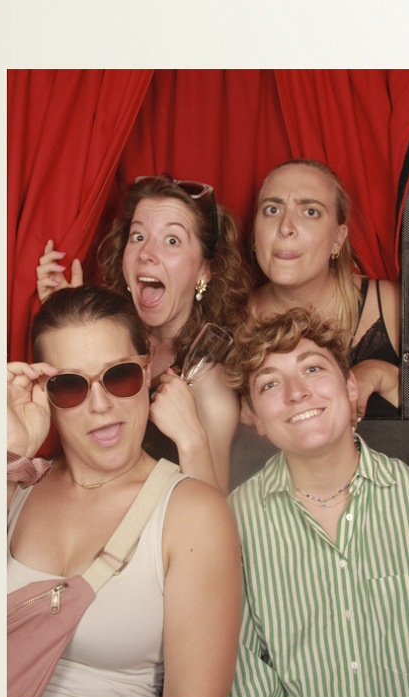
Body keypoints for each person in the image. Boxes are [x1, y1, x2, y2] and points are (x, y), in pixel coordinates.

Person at [7, 285, 240, 697]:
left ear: (147, 370)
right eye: (71, 386)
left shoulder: (192, 514)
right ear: (43, 391)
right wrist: (12, 453)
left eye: (119, 376)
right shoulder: (15, 485)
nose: (100, 405)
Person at [223, 309, 409, 697]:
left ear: (350, 388)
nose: (296, 392)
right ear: (257, 418)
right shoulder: (236, 521)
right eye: (269, 384)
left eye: (312, 369)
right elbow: (246, 675)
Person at [36, 178, 251, 493]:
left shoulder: (208, 382)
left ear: (204, 271)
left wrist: (191, 438)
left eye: (172, 240)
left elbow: (215, 512)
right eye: (138, 236)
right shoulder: (117, 332)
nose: (147, 253)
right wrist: (69, 323)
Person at [248, 158, 402, 419]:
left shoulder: (391, 305)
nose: (285, 227)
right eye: (272, 210)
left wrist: (384, 373)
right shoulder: (229, 320)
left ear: (338, 239)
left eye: (310, 212)